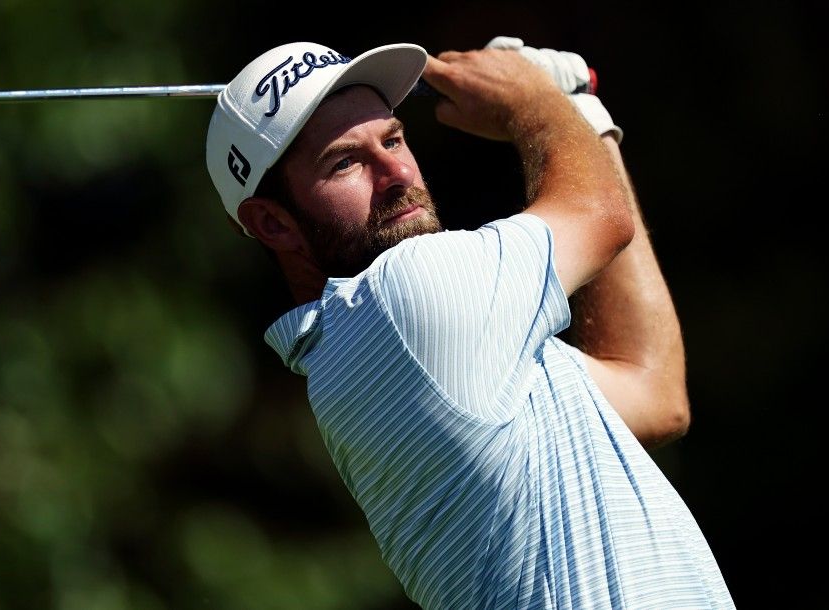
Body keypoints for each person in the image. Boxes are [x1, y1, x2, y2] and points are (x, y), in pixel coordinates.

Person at [205, 37, 735, 609]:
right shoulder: (402, 302)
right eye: (345, 161)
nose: (396, 172)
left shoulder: (421, 347)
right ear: (272, 223)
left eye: (394, 138)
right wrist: (532, 97)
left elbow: (653, 391)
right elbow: (600, 214)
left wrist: (577, 110)